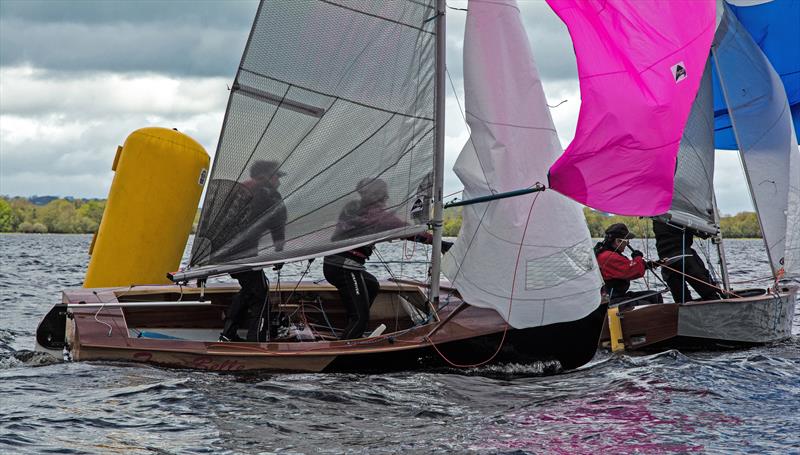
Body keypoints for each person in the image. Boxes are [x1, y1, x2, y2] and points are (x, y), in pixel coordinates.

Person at [323, 178, 452, 340]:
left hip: (333, 264)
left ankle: (353, 325)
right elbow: (407, 231)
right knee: (360, 318)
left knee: (371, 285)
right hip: (344, 267)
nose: (386, 200)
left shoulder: (353, 207)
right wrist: (441, 243)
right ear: (379, 197)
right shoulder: (377, 216)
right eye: (384, 197)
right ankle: (347, 343)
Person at [220, 160, 288, 342]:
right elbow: (278, 226)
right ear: (265, 177)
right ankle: (256, 340)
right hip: (244, 255)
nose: (279, 182)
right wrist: (279, 253)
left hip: (227, 253)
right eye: (277, 176)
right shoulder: (269, 195)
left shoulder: (241, 193)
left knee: (249, 290)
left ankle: (228, 334)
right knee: (262, 295)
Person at [652, 219, 721, 303]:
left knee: (682, 302)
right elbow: (704, 234)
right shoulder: (680, 216)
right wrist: (714, 228)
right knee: (710, 295)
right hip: (686, 260)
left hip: (667, 263)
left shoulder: (657, 217)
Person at [594, 223, 662, 305]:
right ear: (618, 241)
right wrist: (637, 257)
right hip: (610, 300)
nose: (627, 244)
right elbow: (634, 271)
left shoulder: (608, 253)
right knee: (645, 303)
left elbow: (626, 268)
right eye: (626, 241)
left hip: (619, 296)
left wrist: (651, 265)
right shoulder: (608, 256)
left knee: (655, 296)